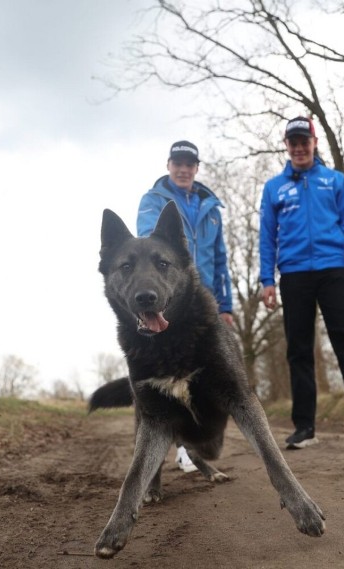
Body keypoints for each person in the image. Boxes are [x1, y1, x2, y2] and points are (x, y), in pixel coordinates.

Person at [259, 116, 344, 450]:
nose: (300, 147)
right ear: (287, 147)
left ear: (314, 143)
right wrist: (266, 280)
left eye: (305, 141)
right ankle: (304, 428)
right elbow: (266, 237)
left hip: (333, 270)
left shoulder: (333, 181)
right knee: (299, 350)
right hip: (293, 274)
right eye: (294, 142)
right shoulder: (274, 188)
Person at [138, 139, 234, 471]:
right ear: (168, 165)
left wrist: (228, 305)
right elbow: (148, 247)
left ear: (196, 168)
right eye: (177, 162)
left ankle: (195, 442)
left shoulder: (211, 207)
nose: (183, 168)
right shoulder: (153, 201)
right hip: (173, 299)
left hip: (207, 302)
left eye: (189, 163)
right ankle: (181, 447)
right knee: (173, 374)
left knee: (207, 375)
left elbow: (221, 260)